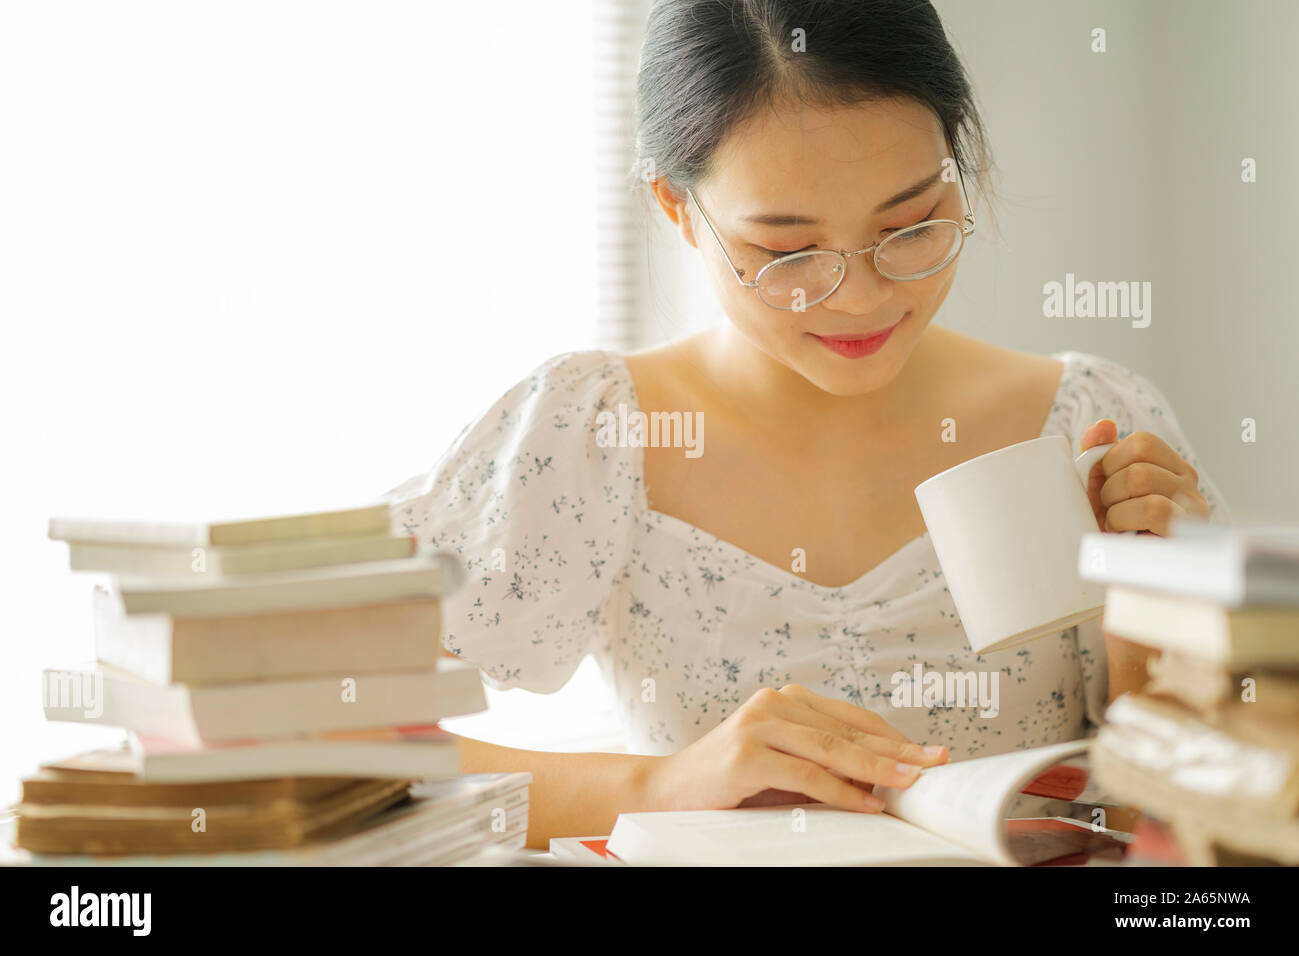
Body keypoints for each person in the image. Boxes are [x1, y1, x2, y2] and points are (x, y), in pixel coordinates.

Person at [381, 0, 1230, 849]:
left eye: (909, 226)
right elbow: (345, 755)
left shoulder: (1091, 424)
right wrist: (664, 783)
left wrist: (1150, 639)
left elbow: (1195, 828)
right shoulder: (594, 435)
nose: (860, 298)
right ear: (677, 210)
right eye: (786, 252)